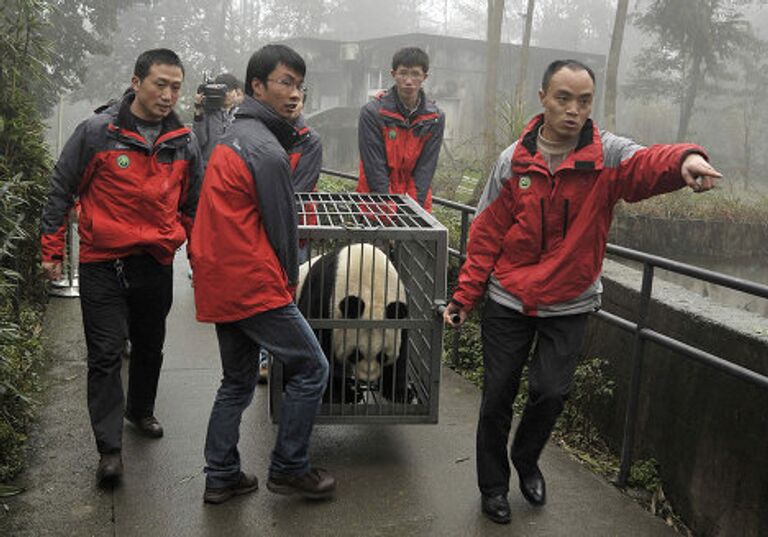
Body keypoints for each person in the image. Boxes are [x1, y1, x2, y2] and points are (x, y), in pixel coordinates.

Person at [443, 59, 722, 525]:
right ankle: (493, 487)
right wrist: (463, 298)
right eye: (563, 98)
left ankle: (526, 458)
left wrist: (684, 161)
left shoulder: (606, 156)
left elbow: (647, 162)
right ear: (543, 99)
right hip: (510, 299)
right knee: (496, 397)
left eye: (584, 100)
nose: (574, 110)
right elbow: (487, 235)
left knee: (551, 393)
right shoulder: (513, 161)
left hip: (569, 302)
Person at [40, 48, 203, 486]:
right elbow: (62, 188)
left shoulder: (184, 141)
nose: (168, 95)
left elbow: (194, 206)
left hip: (155, 260)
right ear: (136, 82)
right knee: (107, 353)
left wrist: (194, 253)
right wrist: (51, 249)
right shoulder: (98, 132)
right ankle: (109, 450)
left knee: (150, 345)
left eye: (175, 87)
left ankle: (140, 410)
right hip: (102, 262)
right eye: (160, 84)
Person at [189, 44, 335, 505]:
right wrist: (287, 285)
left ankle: (222, 475)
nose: (294, 94)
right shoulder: (266, 150)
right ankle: (290, 467)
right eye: (284, 83)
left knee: (236, 380)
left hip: (219, 273)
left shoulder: (235, 134)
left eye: (299, 85)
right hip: (250, 279)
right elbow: (282, 227)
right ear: (256, 86)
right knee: (312, 366)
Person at [258, 99, 322, 384]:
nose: (290, 100)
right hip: (264, 227)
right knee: (265, 293)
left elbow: (299, 190)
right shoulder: (261, 135)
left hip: (295, 230)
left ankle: (292, 357)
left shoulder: (310, 140)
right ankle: (265, 357)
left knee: (291, 292)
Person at [357, 46, 445, 212]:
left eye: (415, 74)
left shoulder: (435, 118)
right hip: (377, 202)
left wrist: (411, 210)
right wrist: (388, 208)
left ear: (424, 77)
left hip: (415, 202)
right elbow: (374, 167)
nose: (409, 81)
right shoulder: (372, 113)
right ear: (393, 74)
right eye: (403, 73)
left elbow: (426, 168)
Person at [193, 72, 244, 165]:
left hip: (232, 169)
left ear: (236, 91)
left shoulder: (242, 114)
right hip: (208, 168)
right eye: (223, 90)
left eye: (230, 90)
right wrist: (198, 111)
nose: (227, 94)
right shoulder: (208, 112)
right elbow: (199, 141)